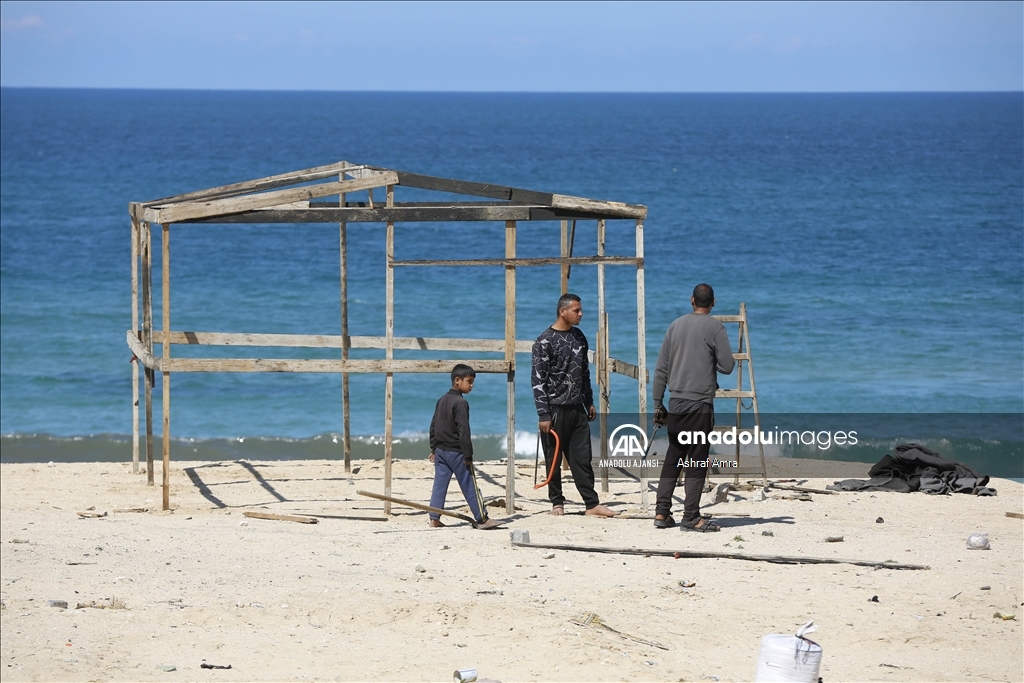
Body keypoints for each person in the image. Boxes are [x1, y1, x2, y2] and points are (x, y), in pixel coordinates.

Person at [651, 283, 735, 532]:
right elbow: (728, 365)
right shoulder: (715, 327)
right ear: (713, 303)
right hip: (700, 404)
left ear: (691, 301)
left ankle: (662, 512)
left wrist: (658, 403)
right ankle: (690, 517)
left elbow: (661, 369)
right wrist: (711, 362)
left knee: (673, 457)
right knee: (697, 461)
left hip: (676, 402)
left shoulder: (675, 325)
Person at [531, 293, 617, 517]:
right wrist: (543, 414)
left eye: (580, 310)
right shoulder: (544, 341)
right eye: (576, 310)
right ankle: (557, 503)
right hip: (554, 410)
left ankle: (591, 504)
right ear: (563, 311)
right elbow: (538, 381)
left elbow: (584, 373)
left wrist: (589, 401)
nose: (581, 314)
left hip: (577, 408)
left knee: (582, 458)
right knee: (554, 459)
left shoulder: (579, 336)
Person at [428, 364, 499, 529]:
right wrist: (468, 455)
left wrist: (433, 448)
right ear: (457, 380)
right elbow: (463, 431)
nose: (472, 385)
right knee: (470, 485)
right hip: (456, 453)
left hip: (441, 451)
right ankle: (482, 519)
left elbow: (433, 426)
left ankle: (434, 518)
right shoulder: (460, 402)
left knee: (439, 485)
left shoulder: (442, 399)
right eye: (469, 381)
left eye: (473, 381)